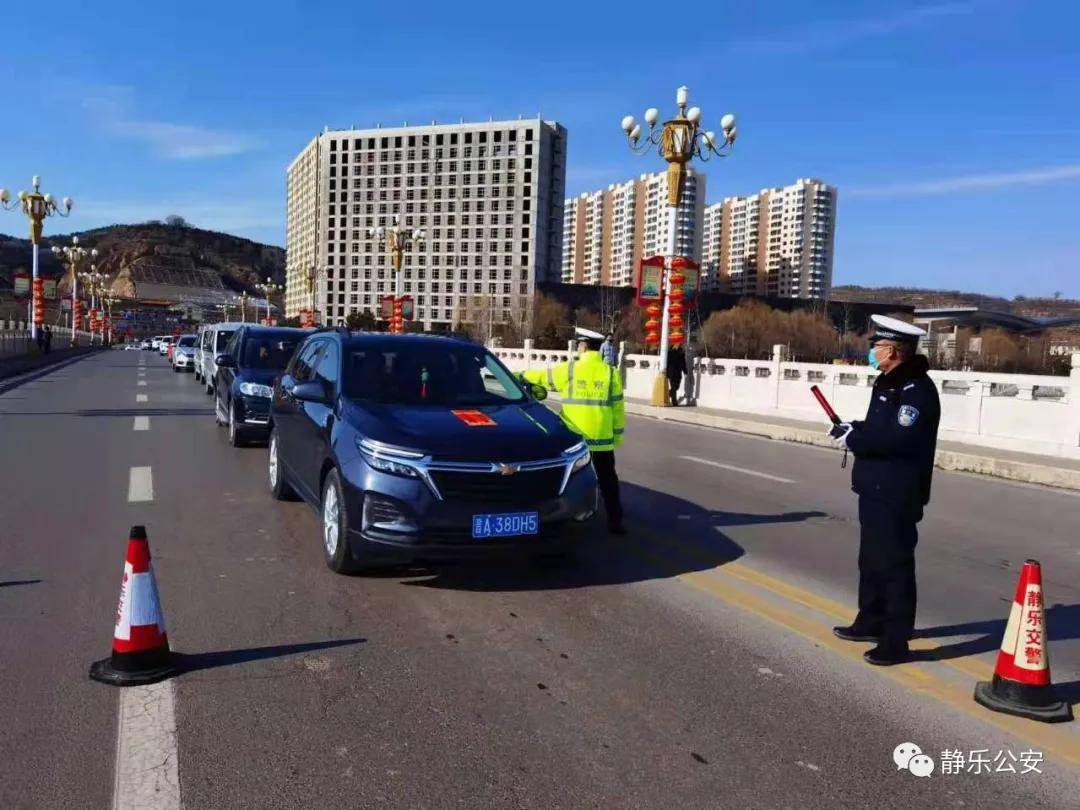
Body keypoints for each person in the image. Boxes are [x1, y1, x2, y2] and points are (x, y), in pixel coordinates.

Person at [830, 315, 941, 666]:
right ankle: (870, 620)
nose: (871, 351)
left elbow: (898, 438)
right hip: (876, 487)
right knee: (871, 560)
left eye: (876, 346)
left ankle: (895, 640)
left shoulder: (916, 390)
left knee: (894, 565)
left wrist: (856, 440)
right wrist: (854, 426)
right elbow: (881, 427)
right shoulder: (889, 382)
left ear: (892, 350)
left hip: (897, 491)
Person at [523, 327, 626, 535]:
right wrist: (616, 437)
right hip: (602, 439)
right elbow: (617, 408)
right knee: (608, 480)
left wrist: (515, 375)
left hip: (575, 440)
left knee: (570, 479)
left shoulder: (570, 369)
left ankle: (567, 516)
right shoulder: (610, 372)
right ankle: (615, 521)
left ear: (583, 346)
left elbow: (540, 377)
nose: (578, 348)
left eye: (579, 345)